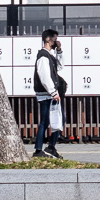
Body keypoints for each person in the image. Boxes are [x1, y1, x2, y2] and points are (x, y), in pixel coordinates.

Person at [33, 28, 67, 159]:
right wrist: (53, 92)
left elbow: (60, 66)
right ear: (48, 39)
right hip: (46, 94)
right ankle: (39, 149)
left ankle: (49, 147)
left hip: (49, 94)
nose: (56, 42)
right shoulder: (42, 56)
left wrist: (59, 51)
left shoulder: (49, 56)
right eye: (54, 39)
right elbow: (44, 76)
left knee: (56, 120)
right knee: (46, 121)